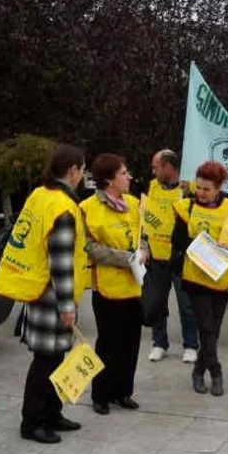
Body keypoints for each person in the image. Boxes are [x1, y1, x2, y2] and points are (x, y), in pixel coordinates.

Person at [0, 144, 88, 444]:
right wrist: (67, 305)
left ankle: (52, 413)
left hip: (39, 289)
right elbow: (60, 261)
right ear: (73, 171)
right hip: (52, 294)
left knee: (55, 358)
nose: (83, 176)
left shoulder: (40, 194)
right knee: (45, 361)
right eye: (82, 170)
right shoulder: (63, 207)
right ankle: (31, 422)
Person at [81, 153, 146, 415]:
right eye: (123, 173)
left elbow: (143, 235)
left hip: (133, 286)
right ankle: (101, 394)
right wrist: (125, 259)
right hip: (107, 288)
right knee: (108, 343)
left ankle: (123, 391)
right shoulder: (88, 208)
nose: (129, 177)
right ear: (108, 179)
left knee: (131, 342)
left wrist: (144, 250)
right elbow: (89, 247)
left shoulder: (133, 203)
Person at [171, 161, 228, 396]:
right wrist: (202, 245)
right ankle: (216, 372)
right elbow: (177, 240)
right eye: (199, 187)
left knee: (213, 330)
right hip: (195, 277)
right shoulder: (185, 208)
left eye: (207, 189)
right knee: (206, 327)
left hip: (222, 277)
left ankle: (198, 370)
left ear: (219, 188)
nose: (201, 193)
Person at [146, 149, 198, 363]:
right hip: (157, 255)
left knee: (186, 304)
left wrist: (188, 195)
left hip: (179, 256)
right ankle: (159, 343)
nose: (153, 171)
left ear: (168, 167)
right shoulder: (152, 187)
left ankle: (191, 345)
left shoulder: (189, 188)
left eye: (156, 167)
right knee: (157, 302)